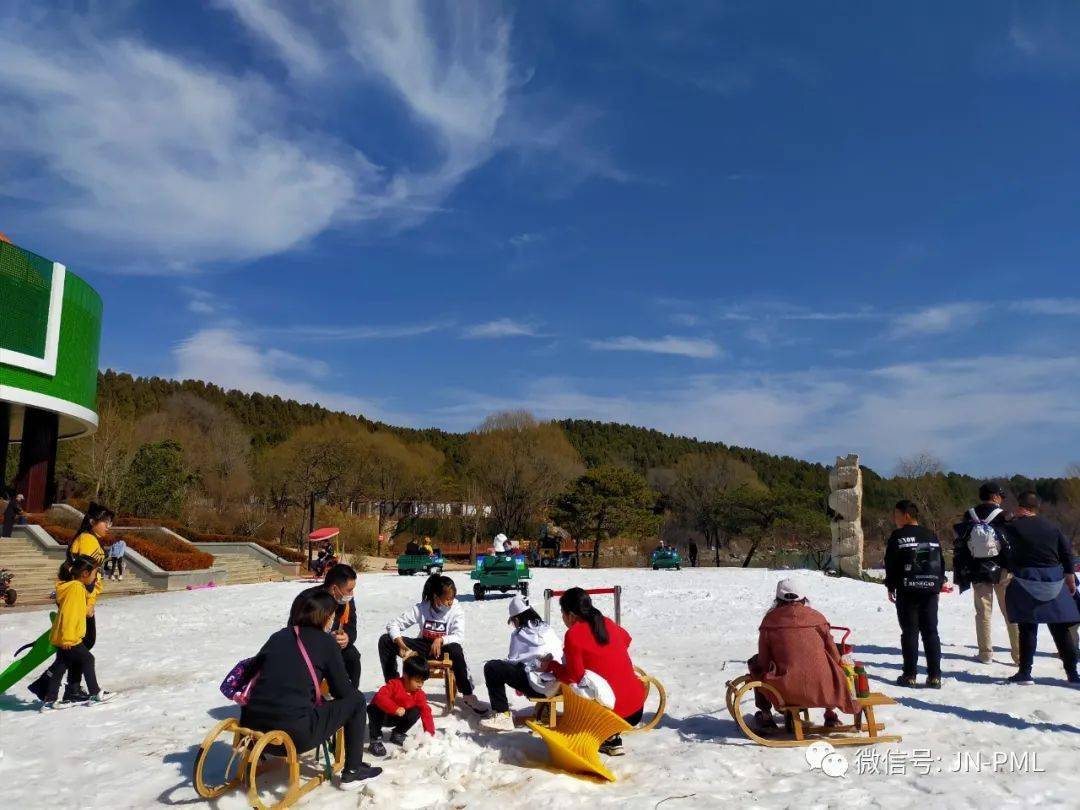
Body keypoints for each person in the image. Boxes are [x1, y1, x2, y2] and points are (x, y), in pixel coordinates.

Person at [241, 588, 382, 787]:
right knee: (357, 701)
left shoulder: (277, 636)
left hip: (251, 728)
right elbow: (343, 692)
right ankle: (353, 770)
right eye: (332, 616)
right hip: (294, 734)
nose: (333, 621)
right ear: (325, 618)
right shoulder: (326, 642)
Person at [541, 587, 645, 756]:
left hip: (614, 715)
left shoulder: (573, 634)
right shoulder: (607, 622)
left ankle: (606, 735)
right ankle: (611, 736)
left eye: (562, 613)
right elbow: (626, 640)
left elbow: (573, 677)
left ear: (571, 615)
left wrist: (552, 666)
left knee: (578, 688)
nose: (563, 618)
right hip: (636, 710)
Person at [747, 578, 858, 731]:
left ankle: (766, 715)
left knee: (755, 664)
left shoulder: (769, 621)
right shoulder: (817, 618)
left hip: (785, 689)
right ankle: (830, 713)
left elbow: (764, 660)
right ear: (803, 597)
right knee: (824, 662)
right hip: (823, 688)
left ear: (778, 598)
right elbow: (833, 652)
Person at [29, 502, 113, 703]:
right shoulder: (87, 541)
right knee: (81, 642)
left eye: (110, 522)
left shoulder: (91, 540)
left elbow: (93, 577)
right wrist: (89, 601)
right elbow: (86, 575)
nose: (108, 526)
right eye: (105, 522)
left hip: (80, 597)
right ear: (92, 522)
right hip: (78, 598)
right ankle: (65, 687)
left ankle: (58, 687)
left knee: (80, 643)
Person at [377, 574, 487, 714]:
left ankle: (468, 694)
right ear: (436, 597)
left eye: (452, 599)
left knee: (456, 649)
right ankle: (394, 688)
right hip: (423, 647)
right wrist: (401, 644)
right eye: (447, 599)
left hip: (444, 649)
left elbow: (458, 636)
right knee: (385, 640)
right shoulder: (422, 608)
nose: (450, 603)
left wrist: (441, 640)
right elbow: (393, 624)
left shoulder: (456, 610)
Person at [1002, 491, 1079, 685]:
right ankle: (1072, 673)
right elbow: (1066, 553)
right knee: (1061, 629)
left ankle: (1025, 673)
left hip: (1026, 579)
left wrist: (1010, 518)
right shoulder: (1053, 527)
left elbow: (999, 538)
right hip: (1054, 578)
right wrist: (1070, 576)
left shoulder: (1013, 527)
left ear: (1020, 507)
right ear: (1037, 508)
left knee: (1027, 627)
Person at [952, 482, 1019, 665]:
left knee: (983, 613)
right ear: (996, 496)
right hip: (1003, 571)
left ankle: (985, 653)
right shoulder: (1003, 516)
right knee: (1010, 612)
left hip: (978, 570)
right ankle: (1018, 655)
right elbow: (1011, 544)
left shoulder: (970, 515)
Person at [39, 558, 114, 710]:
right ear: (85, 573)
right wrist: (68, 638)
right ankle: (95, 693)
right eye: (94, 574)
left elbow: (76, 610)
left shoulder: (72, 587)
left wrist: (87, 611)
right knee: (88, 659)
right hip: (69, 637)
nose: (95, 577)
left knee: (61, 665)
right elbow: (69, 614)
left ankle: (49, 700)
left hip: (63, 636)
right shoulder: (76, 588)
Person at [885, 499, 945, 688]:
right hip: (929, 589)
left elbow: (891, 563)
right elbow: (939, 562)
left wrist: (890, 585)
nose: (895, 519)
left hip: (907, 588)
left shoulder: (898, 536)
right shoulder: (931, 535)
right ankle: (935, 676)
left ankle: (910, 675)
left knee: (910, 632)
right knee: (930, 632)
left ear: (906, 515)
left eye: (896, 514)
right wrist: (937, 583)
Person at [481, 595, 563, 731]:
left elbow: (513, 660)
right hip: (557, 685)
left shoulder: (519, 633)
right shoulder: (547, 628)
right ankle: (545, 709)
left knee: (492, 667)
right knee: (527, 668)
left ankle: (502, 714)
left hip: (537, 687)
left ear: (517, 619)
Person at [368, 655, 435, 756]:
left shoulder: (419, 694)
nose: (420, 685)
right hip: (383, 716)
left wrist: (429, 733)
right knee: (373, 708)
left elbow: (426, 712)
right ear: (406, 676)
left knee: (417, 710)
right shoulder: (394, 684)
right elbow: (380, 697)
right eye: (417, 681)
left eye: (422, 682)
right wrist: (394, 708)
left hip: (398, 717)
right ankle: (375, 741)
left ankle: (397, 734)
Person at [324, 564, 362, 687]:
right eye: (349, 590)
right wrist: (328, 638)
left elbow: (351, 628)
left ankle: (351, 694)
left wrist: (347, 637)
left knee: (352, 655)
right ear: (335, 589)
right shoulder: (311, 600)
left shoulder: (346, 601)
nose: (351, 594)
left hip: (337, 646)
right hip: (313, 648)